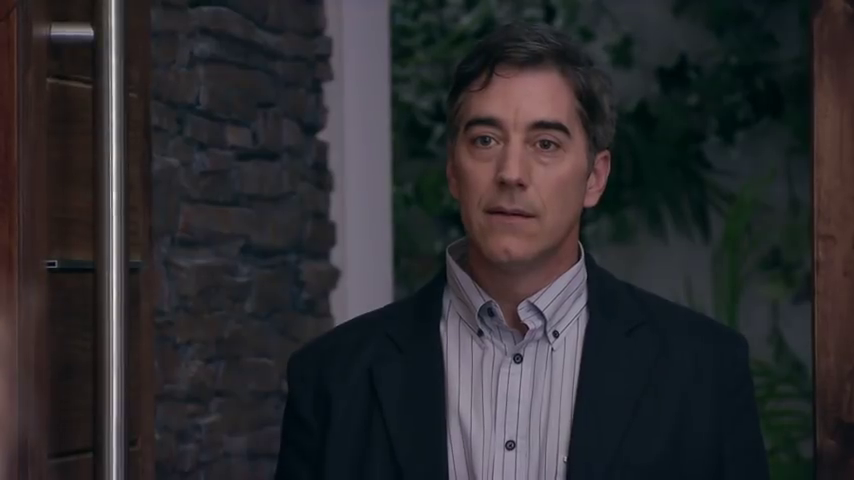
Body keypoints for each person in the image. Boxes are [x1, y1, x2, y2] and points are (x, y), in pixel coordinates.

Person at [275, 22, 769, 480]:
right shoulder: (332, 376)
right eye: (485, 140)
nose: (511, 173)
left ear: (595, 178)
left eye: (545, 144)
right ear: (453, 170)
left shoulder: (703, 369)